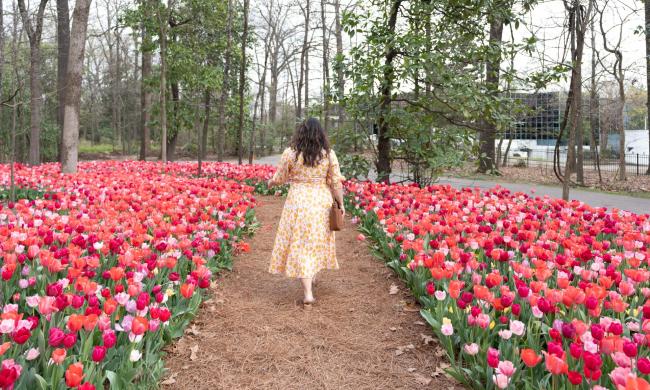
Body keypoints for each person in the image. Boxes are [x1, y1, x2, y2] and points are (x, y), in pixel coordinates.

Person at [267, 117, 345, 307]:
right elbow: (335, 183)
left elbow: (280, 177)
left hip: (298, 203)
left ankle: (308, 292)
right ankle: (311, 278)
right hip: (320, 202)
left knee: (300, 243)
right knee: (315, 241)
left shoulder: (291, 153)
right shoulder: (328, 154)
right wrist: (341, 204)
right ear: (320, 134)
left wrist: (271, 182)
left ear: (300, 133)